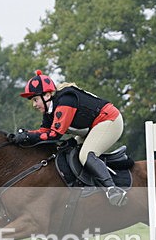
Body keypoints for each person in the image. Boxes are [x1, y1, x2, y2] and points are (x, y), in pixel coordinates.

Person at [11, 70, 127, 206]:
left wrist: (28, 136)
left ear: (47, 95)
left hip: (110, 120)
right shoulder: (50, 111)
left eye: (35, 100)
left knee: (85, 155)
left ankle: (113, 190)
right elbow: (43, 131)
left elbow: (54, 134)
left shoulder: (65, 101)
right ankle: (86, 187)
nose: (34, 105)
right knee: (66, 152)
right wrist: (25, 134)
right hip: (92, 127)